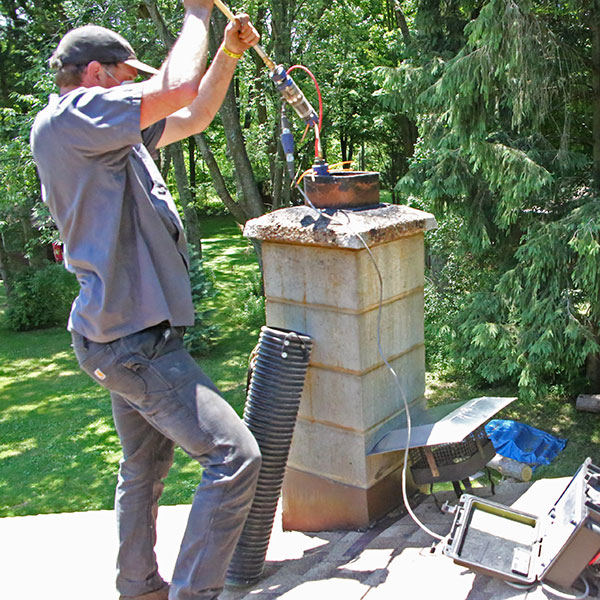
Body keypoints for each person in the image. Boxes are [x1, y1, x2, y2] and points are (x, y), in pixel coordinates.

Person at [30, 2, 262, 599]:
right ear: (93, 73)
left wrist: (230, 53)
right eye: (124, 73)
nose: (134, 83)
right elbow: (175, 83)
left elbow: (196, 109)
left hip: (118, 334)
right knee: (235, 458)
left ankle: (138, 587)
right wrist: (196, 14)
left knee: (144, 469)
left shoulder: (107, 136)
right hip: (133, 341)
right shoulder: (73, 117)